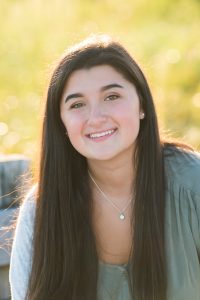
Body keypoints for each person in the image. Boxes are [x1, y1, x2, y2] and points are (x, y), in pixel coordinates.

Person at [9, 34, 200, 300]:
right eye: (77, 104)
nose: (96, 118)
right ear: (61, 124)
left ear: (142, 104)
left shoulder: (193, 185)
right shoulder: (42, 209)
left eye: (111, 96)